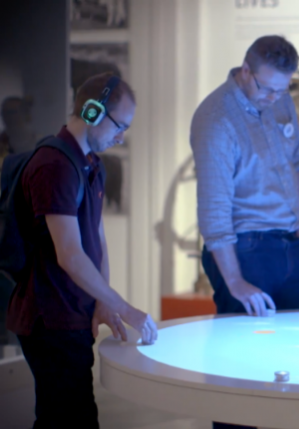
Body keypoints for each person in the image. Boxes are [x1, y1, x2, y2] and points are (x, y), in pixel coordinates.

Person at [6, 72, 158, 428]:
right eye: (119, 125)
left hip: (73, 313)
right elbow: (71, 255)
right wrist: (127, 309)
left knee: (67, 416)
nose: (121, 137)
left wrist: (104, 301)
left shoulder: (91, 164)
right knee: (69, 418)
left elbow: (97, 238)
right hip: (50, 319)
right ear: (91, 112)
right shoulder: (54, 167)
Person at [190, 35, 299, 428]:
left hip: (291, 245)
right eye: (266, 88)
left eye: (282, 89)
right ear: (245, 71)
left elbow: (298, 164)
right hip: (246, 251)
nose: (274, 97)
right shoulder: (216, 119)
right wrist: (234, 280)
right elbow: (214, 211)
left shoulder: (279, 98)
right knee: (242, 371)